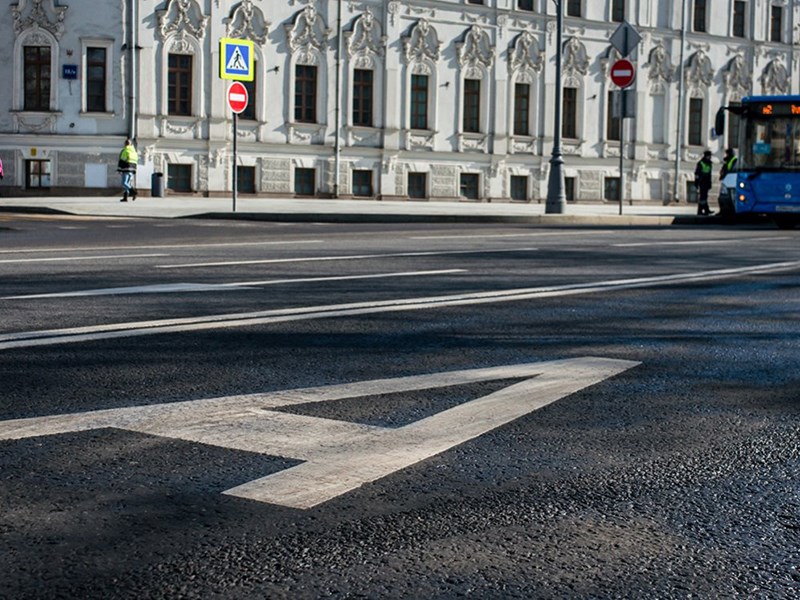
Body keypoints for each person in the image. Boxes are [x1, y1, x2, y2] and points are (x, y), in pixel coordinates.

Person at [694, 150, 713, 216]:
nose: (710, 157)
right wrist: (696, 182)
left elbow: (710, 174)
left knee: (704, 197)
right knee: (703, 197)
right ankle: (703, 210)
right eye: (710, 156)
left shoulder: (709, 163)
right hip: (702, 181)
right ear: (706, 156)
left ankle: (704, 210)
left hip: (707, 181)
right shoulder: (701, 163)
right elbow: (697, 173)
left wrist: (710, 183)